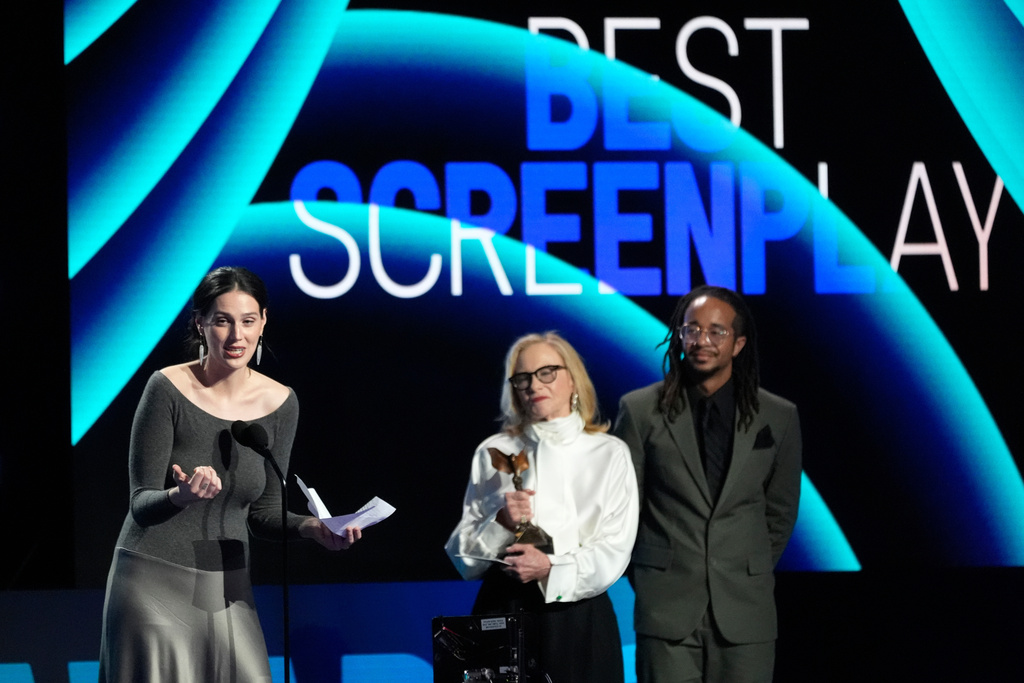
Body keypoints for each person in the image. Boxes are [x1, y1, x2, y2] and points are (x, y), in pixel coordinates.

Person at [98, 266, 362, 682]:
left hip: (226, 582)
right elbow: (140, 504)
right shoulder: (167, 388)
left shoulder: (281, 403)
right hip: (154, 579)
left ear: (263, 322)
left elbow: (265, 513)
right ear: (200, 323)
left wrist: (313, 526)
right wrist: (178, 496)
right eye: (222, 321)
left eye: (247, 321)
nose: (236, 336)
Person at [613, 286, 801, 683]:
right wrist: (651, 576)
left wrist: (746, 566)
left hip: (745, 611)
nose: (702, 340)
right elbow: (623, 509)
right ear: (679, 336)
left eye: (717, 332)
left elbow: (780, 514)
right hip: (665, 608)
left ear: (738, 344)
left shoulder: (778, 416)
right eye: (692, 329)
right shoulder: (640, 410)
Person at [445, 332, 639, 683]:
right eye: (523, 377)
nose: (534, 384)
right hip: (504, 608)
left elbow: (615, 548)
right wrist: (500, 521)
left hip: (578, 617)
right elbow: (463, 560)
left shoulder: (609, 453)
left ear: (573, 379)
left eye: (547, 372)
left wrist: (551, 567)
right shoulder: (494, 451)